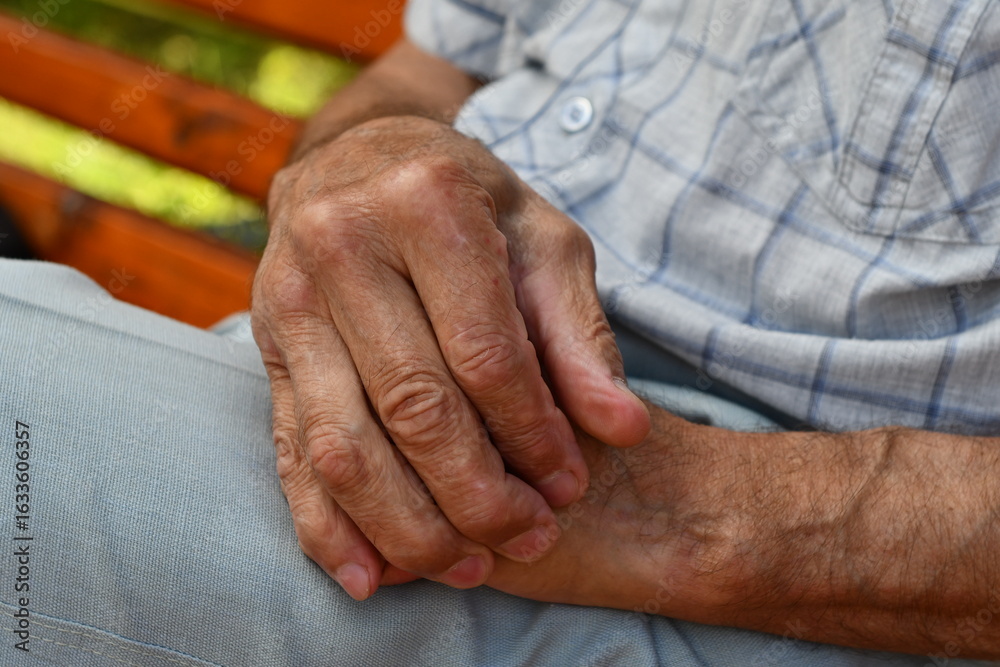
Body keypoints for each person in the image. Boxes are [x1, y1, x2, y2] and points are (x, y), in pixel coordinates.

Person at [2, 0, 999, 664]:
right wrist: (366, 161)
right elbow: (422, 76)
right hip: (374, 402)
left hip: (743, 565)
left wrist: (691, 519)